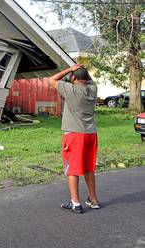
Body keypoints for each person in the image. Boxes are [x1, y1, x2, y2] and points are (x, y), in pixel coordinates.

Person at [49, 64, 101, 214]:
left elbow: (51, 79)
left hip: (74, 135)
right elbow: (88, 79)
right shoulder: (92, 89)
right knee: (88, 168)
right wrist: (82, 72)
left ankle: (75, 203)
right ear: (86, 78)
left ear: (73, 78)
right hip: (91, 134)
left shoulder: (71, 89)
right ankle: (93, 200)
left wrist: (71, 69)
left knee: (72, 168)